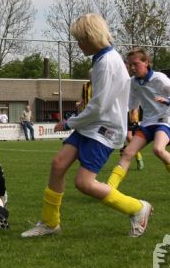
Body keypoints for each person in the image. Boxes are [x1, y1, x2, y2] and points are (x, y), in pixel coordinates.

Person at [21, 13, 151, 238]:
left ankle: (137, 208)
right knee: (58, 164)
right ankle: (50, 223)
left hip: (104, 130)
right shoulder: (102, 59)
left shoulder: (108, 63)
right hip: (92, 125)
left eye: (80, 39)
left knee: (84, 183)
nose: (78, 44)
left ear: (92, 37)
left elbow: (99, 107)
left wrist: (69, 122)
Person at [110, 48, 170, 202]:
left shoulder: (159, 78)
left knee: (158, 149)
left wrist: (168, 100)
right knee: (128, 153)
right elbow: (131, 103)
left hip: (166, 119)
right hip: (148, 122)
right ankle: (109, 189)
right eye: (130, 65)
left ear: (146, 62)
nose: (132, 68)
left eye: (136, 64)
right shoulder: (133, 82)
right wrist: (115, 114)